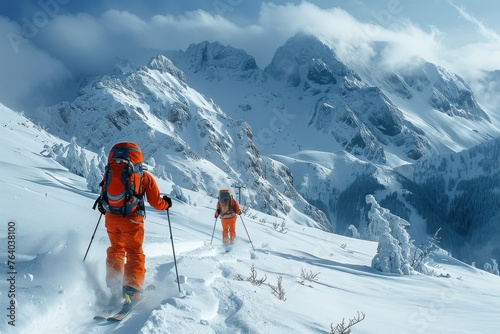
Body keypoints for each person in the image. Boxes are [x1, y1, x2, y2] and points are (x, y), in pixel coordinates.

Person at [98, 142, 172, 306]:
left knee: (116, 249)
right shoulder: (143, 177)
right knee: (134, 252)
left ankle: (115, 286)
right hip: (132, 220)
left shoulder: (109, 172)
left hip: (111, 218)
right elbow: (156, 202)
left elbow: (105, 193)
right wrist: (166, 204)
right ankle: (132, 290)